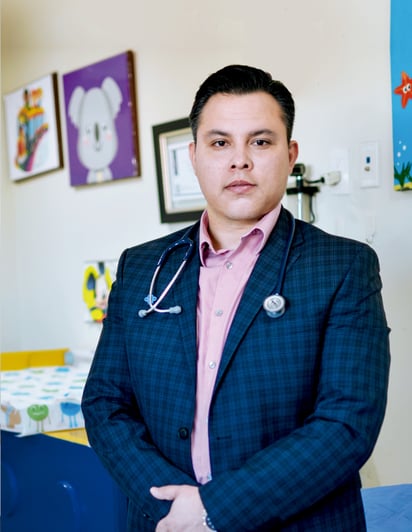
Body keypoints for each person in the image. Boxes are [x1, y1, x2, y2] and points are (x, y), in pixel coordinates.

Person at [81, 64, 390, 531]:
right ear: (194, 156)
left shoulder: (342, 267)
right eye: (220, 143)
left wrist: (212, 509)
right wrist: (174, 508)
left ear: (290, 155)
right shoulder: (142, 267)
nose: (239, 161)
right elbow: (105, 404)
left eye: (260, 142)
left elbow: (346, 424)